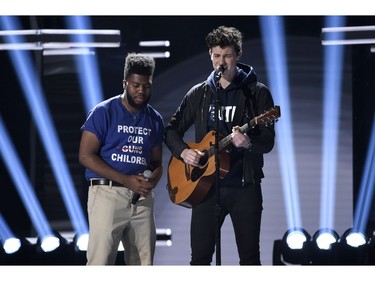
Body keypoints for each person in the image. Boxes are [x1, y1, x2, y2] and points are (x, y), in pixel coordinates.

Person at [164, 26, 276, 265]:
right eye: (216, 56)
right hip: (205, 189)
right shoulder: (201, 93)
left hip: (244, 187)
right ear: (210, 55)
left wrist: (247, 143)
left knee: (249, 258)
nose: (221, 62)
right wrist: (183, 152)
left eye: (227, 56)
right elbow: (171, 130)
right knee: (200, 258)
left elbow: (267, 142)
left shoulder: (257, 93)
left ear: (238, 54)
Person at [79, 53, 164, 265]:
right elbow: (85, 155)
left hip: (142, 200)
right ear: (125, 82)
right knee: (100, 262)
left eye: (146, 85)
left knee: (143, 263)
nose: (141, 91)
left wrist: (154, 178)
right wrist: (125, 180)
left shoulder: (154, 119)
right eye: (136, 85)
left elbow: (156, 163)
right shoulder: (103, 112)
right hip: (107, 194)